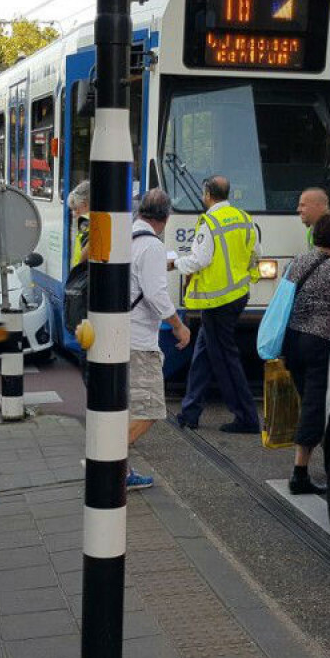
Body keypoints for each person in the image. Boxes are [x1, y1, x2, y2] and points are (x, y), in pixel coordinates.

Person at [174, 175, 260, 434]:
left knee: (224, 360)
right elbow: (255, 255)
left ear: (207, 194)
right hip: (238, 296)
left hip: (218, 301)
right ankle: (190, 412)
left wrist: (174, 263)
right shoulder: (245, 219)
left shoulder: (209, 222)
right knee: (203, 353)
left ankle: (247, 418)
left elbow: (199, 260)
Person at [282, 211, 330, 495]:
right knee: (315, 406)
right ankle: (300, 474)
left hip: (292, 340)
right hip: (319, 342)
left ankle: (310, 464)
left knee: (309, 403)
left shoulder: (298, 262)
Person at [127, 189, 191, 490]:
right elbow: (155, 294)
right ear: (165, 218)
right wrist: (178, 325)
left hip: (121, 334)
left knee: (125, 409)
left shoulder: (126, 237)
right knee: (151, 410)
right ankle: (108, 462)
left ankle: (117, 468)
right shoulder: (151, 246)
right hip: (139, 339)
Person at [68, 180, 91, 268]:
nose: (74, 213)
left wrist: (76, 274)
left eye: (76, 208)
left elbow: (85, 254)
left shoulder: (86, 222)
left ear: (84, 204)